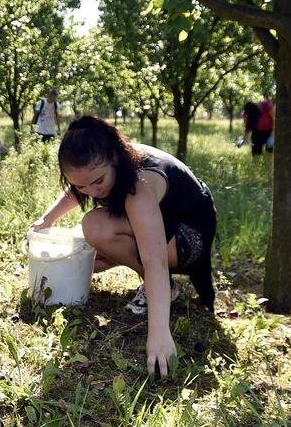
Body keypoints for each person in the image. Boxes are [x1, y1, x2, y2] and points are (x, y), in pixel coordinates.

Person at [31, 116, 216, 377]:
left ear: (115, 159)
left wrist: (159, 333)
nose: (92, 192)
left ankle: (165, 290)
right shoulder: (102, 162)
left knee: (96, 227)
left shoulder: (138, 185)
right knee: (86, 258)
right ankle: (152, 282)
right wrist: (47, 218)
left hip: (190, 235)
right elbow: (82, 185)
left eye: (98, 182)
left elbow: (155, 260)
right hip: (162, 226)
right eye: (81, 185)